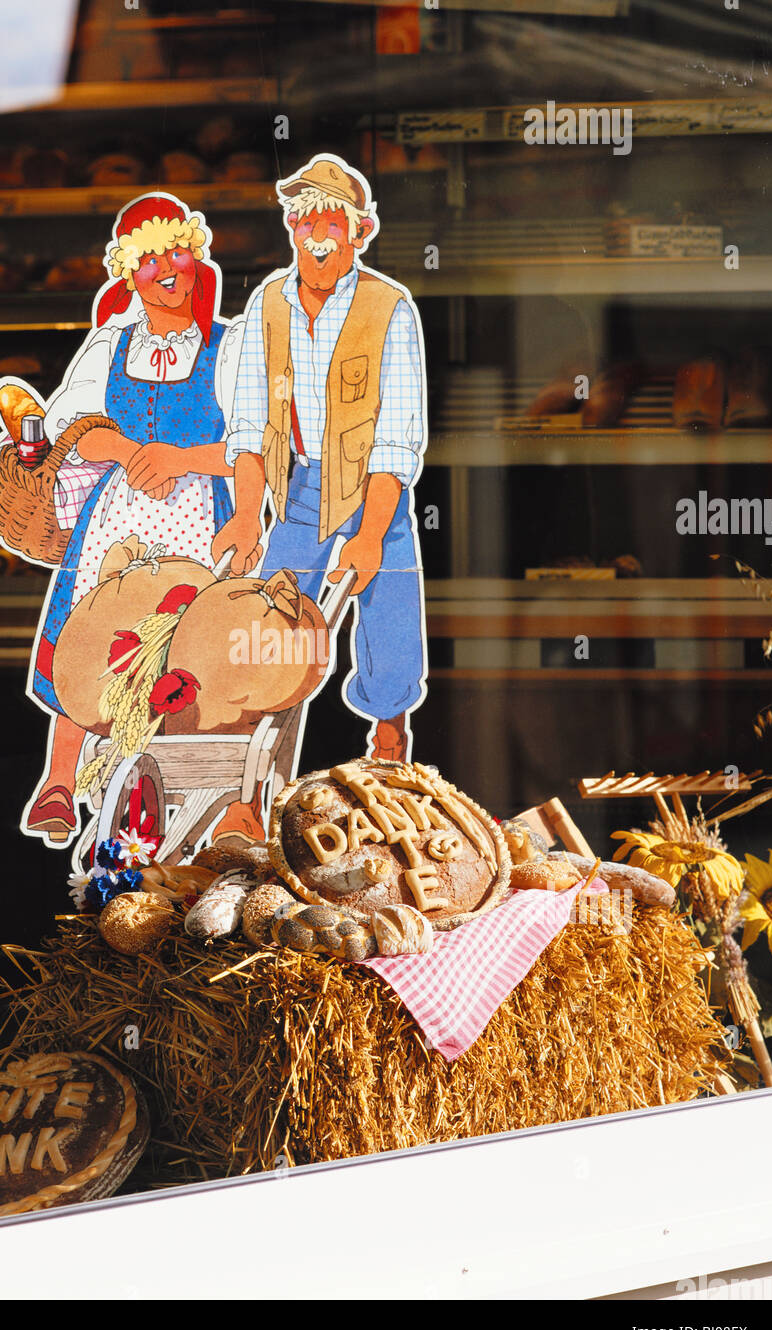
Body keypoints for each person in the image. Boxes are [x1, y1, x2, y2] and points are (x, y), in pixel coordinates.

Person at [0, 193, 244, 848]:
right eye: (148, 259)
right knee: (90, 636)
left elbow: (253, 446)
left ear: (196, 257)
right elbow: (72, 429)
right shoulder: (110, 343)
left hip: (198, 519)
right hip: (114, 518)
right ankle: (61, 781)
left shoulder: (231, 345)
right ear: (128, 273)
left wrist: (182, 458)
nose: (165, 269)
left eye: (175, 252)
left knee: (187, 650)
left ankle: (198, 804)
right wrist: (129, 452)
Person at [211, 155, 428, 842]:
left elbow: (397, 439)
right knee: (269, 628)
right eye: (305, 219)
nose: (317, 232)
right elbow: (248, 424)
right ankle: (250, 793)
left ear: (359, 230)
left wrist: (369, 534)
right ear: (291, 228)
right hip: (300, 487)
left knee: (389, 620)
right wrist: (248, 514)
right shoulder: (267, 304)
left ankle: (390, 753)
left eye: (331, 219)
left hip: (375, 491)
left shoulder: (388, 306)